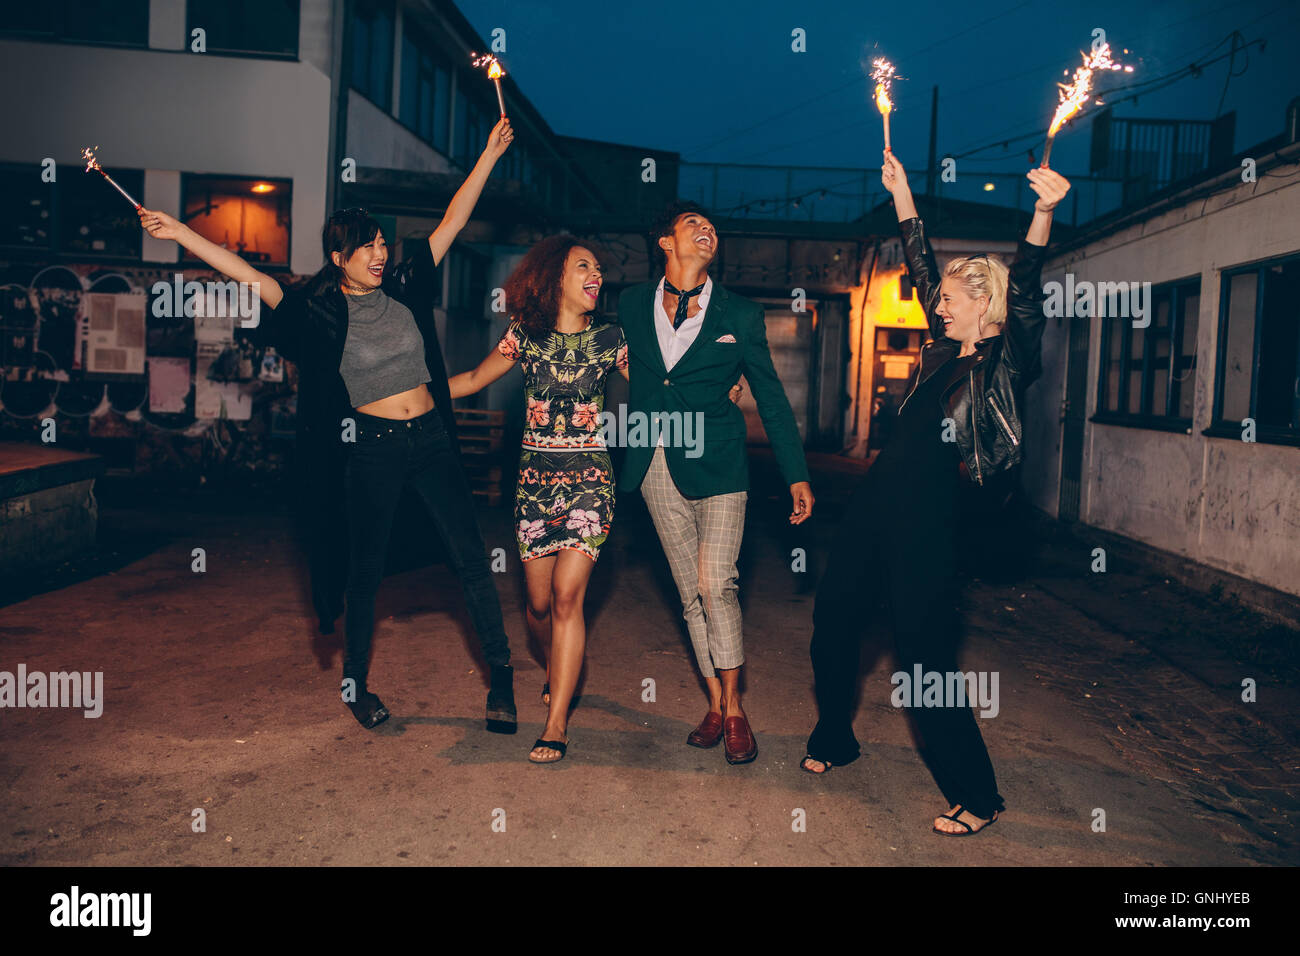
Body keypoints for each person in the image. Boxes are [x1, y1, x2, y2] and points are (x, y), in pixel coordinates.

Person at [139, 119, 520, 734]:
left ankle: (500, 682)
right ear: (339, 258)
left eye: (381, 243)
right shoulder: (316, 309)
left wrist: (488, 155)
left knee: (471, 559)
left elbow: (452, 219)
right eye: (365, 247)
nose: (379, 254)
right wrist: (181, 229)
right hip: (372, 450)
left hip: (430, 443)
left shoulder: (404, 284)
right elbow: (247, 275)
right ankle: (359, 686)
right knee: (362, 573)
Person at [801, 149, 1069, 836]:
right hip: (873, 511)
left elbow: (1031, 286)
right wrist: (903, 198)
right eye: (941, 297)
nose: (937, 304)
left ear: (987, 304)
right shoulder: (943, 353)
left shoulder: (1007, 361)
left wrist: (1041, 215)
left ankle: (978, 797)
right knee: (833, 622)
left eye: (952, 298)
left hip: (931, 528)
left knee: (925, 664)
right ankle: (836, 735)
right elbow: (923, 268)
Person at [618, 201, 815, 765]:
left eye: (712, 229)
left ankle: (733, 709)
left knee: (715, 584)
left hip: (723, 465)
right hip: (653, 460)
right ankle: (717, 702)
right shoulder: (631, 303)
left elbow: (771, 398)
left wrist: (795, 473)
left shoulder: (741, 314)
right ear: (665, 242)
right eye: (693, 226)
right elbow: (618, 358)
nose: (707, 233)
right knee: (688, 593)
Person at [448, 236, 625, 763]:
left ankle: (556, 723)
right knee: (540, 604)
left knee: (570, 597)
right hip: (533, 485)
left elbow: (663, 387)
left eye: (599, 267)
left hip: (592, 480)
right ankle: (557, 666)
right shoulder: (525, 336)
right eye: (583, 267)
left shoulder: (611, 339)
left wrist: (716, 391)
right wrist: (415, 387)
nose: (597, 275)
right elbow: (477, 378)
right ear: (555, 280)